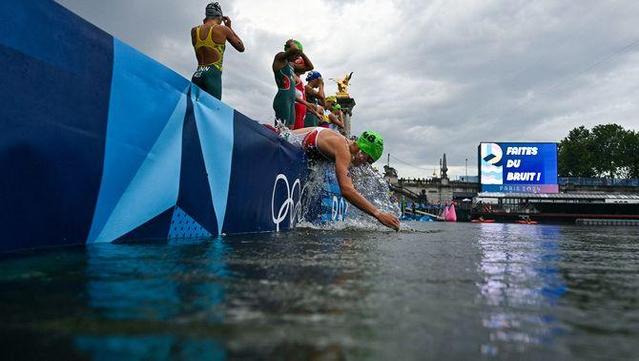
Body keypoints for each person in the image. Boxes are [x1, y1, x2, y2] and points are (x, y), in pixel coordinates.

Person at [292, 127, 401, 231]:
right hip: (286, 141)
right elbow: (347, 190)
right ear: (362, 153)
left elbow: (355, 189)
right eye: (368, 161)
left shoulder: (349, 149)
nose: (364, 165)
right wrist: (378, 214)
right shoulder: (343, 150)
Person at [191, 2, 245, 100]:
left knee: (191, 110)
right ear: (219, 16)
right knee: (212, 111)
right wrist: (229, 27)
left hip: (197, 74)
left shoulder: (194, 30)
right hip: (212, 75)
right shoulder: (223, 29)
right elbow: (241, 47)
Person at [272, 40, 314, 127]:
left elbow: (310, 67)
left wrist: (301, 53)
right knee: (281, 129)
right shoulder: (279, 58)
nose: (296, 58)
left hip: (291, 100)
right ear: (289, 50)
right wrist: (291, 43)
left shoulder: (291, 65)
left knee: (290, 130)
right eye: (296, 55)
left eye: (298, 56)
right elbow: (294, 49)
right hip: (283, 98)